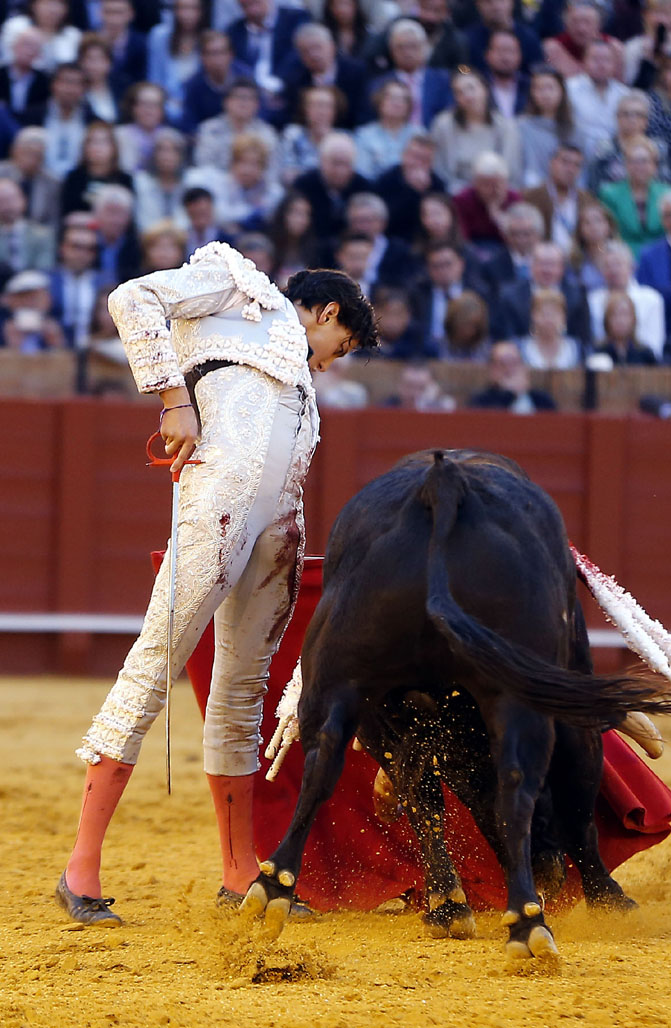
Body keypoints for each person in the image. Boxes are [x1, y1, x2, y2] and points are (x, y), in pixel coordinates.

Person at [56, 245, 378, 926]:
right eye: (338, 344)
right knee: (152, 668)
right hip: (215, 511)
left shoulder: (298, 378)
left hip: (276, 535)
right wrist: (174, 397)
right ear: (323, 310)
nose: (327, 363)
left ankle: (239, 874)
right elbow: (132, 298)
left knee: (241, 697)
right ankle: (80, 869)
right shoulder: (236, 289)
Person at [429, 67, 521, 191]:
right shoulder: (443, 125)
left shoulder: (505, 126)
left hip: (496, 191)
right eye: (459, 92)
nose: (467, 95)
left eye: (471, 88)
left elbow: (511, 170)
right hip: (456, 192)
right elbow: (439, 169)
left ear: (485, 89)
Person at [598, 135, 671, 259]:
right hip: (622, 258)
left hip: (662, 257)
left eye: (644, 161)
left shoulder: (667, 193)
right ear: (626, 165)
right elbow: (607, 234)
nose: (639, 166)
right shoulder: (609, 194)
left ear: (654, 165)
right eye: (633, 161)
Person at [467, 339, 557, 411]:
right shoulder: (481, 402)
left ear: (524, 368)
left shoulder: (542, 400)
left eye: (514, 363)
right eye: (502, 364)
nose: (509, 369)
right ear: (492, 370)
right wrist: (509, 394)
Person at [517, 288, 582, 369]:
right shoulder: (519, 349)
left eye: (554, 313)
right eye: (543, 313)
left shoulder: (577, 349)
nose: (548, 319)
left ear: (564, 317)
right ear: (532, 316)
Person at [592, 290, 658, 365]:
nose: (620, 320)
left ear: (634, 319)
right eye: (615, 315)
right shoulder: (597, 352)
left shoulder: (645, 354)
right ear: (607, 319)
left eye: (625, 314)